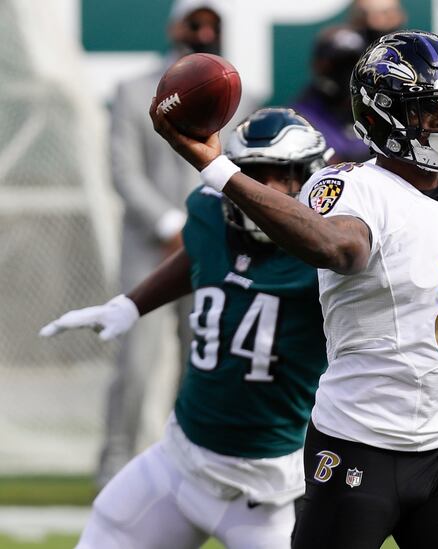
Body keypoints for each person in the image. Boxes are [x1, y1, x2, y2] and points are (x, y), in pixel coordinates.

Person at [150, 30, 438, 549]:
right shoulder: (351, 186)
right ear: (383, 115)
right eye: (431, 109)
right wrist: (218, 169)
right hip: (357, 445)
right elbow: (337, 248)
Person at [40, 108, 330, 549]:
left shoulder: (330, 257)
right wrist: (132, 305)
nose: (265, 191)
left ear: (313, 178)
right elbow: (199, 251)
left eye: (283, 176)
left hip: (267, 489)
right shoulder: (210, 213)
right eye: (254, 175)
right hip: (179, 461)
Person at [101, 0, 232, 488]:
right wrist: (169, 223)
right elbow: (123, 171)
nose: (204, 33)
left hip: (212, 245)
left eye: (212, 24)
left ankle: (189, 464)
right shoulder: (134, 89)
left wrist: (201, 226)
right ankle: (114, 467)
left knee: (201, 363)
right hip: (150, 248)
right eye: (195, 23)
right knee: (135, 365)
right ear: (175, 26)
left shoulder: (236, 92)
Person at [291, 25, 371, 164]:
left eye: (354, 64)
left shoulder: (374, 108)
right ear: (318, 65)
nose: (347, 73)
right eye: (340, 64)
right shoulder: (300, 118)